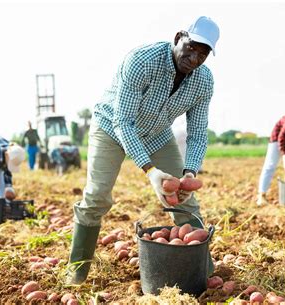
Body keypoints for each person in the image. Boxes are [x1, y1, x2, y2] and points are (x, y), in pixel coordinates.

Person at [66, 16, 220, 284]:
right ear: (178, 38)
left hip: (157, 134)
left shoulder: (204, 81)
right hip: (111, 129)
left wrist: (188, 171)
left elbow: (196, 133)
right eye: (191, 47)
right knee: (97, 198)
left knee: (184, 201)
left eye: (203, 53)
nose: (194, 58)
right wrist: (150, 170)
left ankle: (201, 273)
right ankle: (76, 273)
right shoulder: (142, 61)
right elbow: (123, 121)